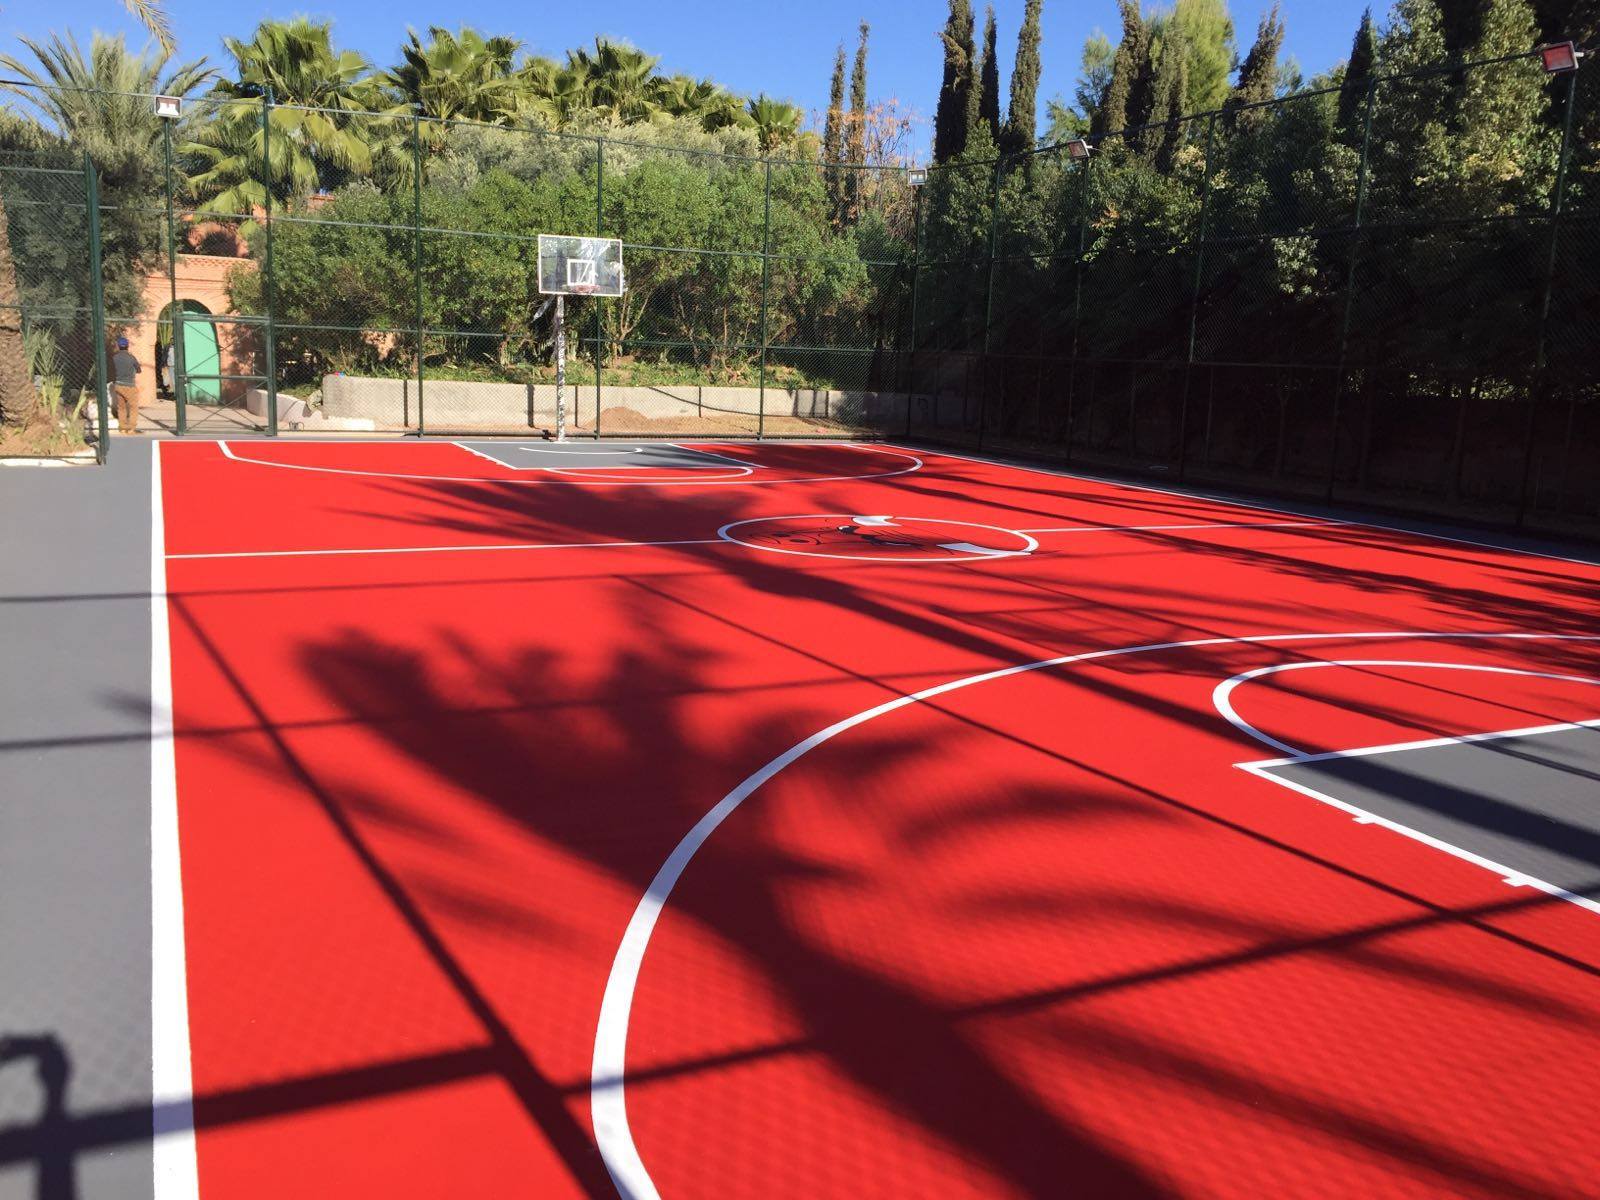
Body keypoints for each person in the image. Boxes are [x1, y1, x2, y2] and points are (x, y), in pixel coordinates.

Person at [111, 337, 141, 434]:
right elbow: (139, 370)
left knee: (121, 407)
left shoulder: (114, 357)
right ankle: (131, 428)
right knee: (133, 407)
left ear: (118, 346)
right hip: (130, 385)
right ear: (127, 346)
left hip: (118, 385)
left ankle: (123, 428)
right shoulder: (131, 357)